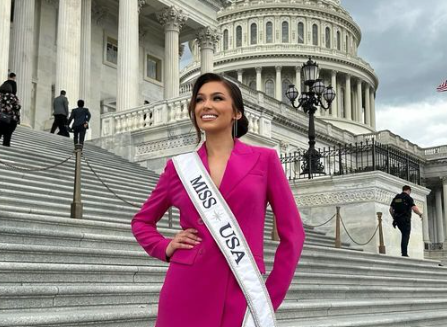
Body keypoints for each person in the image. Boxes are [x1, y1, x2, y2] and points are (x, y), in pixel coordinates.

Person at [131, 73, 306, 327]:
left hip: (241, 288)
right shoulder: (179, 168)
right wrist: (165, 247)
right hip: (185, 287)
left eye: (217, 98)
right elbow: (141, 222)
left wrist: (269, 296)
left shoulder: (265, 160)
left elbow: (294, 234)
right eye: (200, 99)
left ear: (236, 112)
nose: (206, 105)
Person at [390, 185, 423, 257]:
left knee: (403, 234)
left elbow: (391, 209)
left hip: (397, 220)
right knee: (405, 236)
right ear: (409, 190)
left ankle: (403, 252)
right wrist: (420, 214)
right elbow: (414, 209)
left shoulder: (396, 197)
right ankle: (404, 253)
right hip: (405, 220)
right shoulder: (408, 198)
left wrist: (394, 218)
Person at [0, 82, 21, 147]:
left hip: (1, 119)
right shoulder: (14, 97)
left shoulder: (1, 96)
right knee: (7, 138)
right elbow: (18, 107)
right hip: (11, 121)